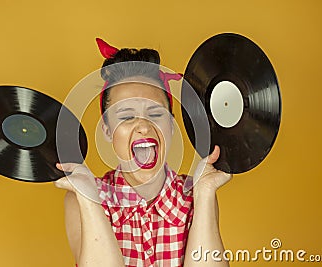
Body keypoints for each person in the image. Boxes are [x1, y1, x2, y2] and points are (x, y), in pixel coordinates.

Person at [54, 38, 232, 267]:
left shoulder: (196, 194)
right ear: (107, 130)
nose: (144, 126)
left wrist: (205, 194)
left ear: (171, 125)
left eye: (156, 114)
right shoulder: (80, 198)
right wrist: (89, 201)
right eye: (127, 116)